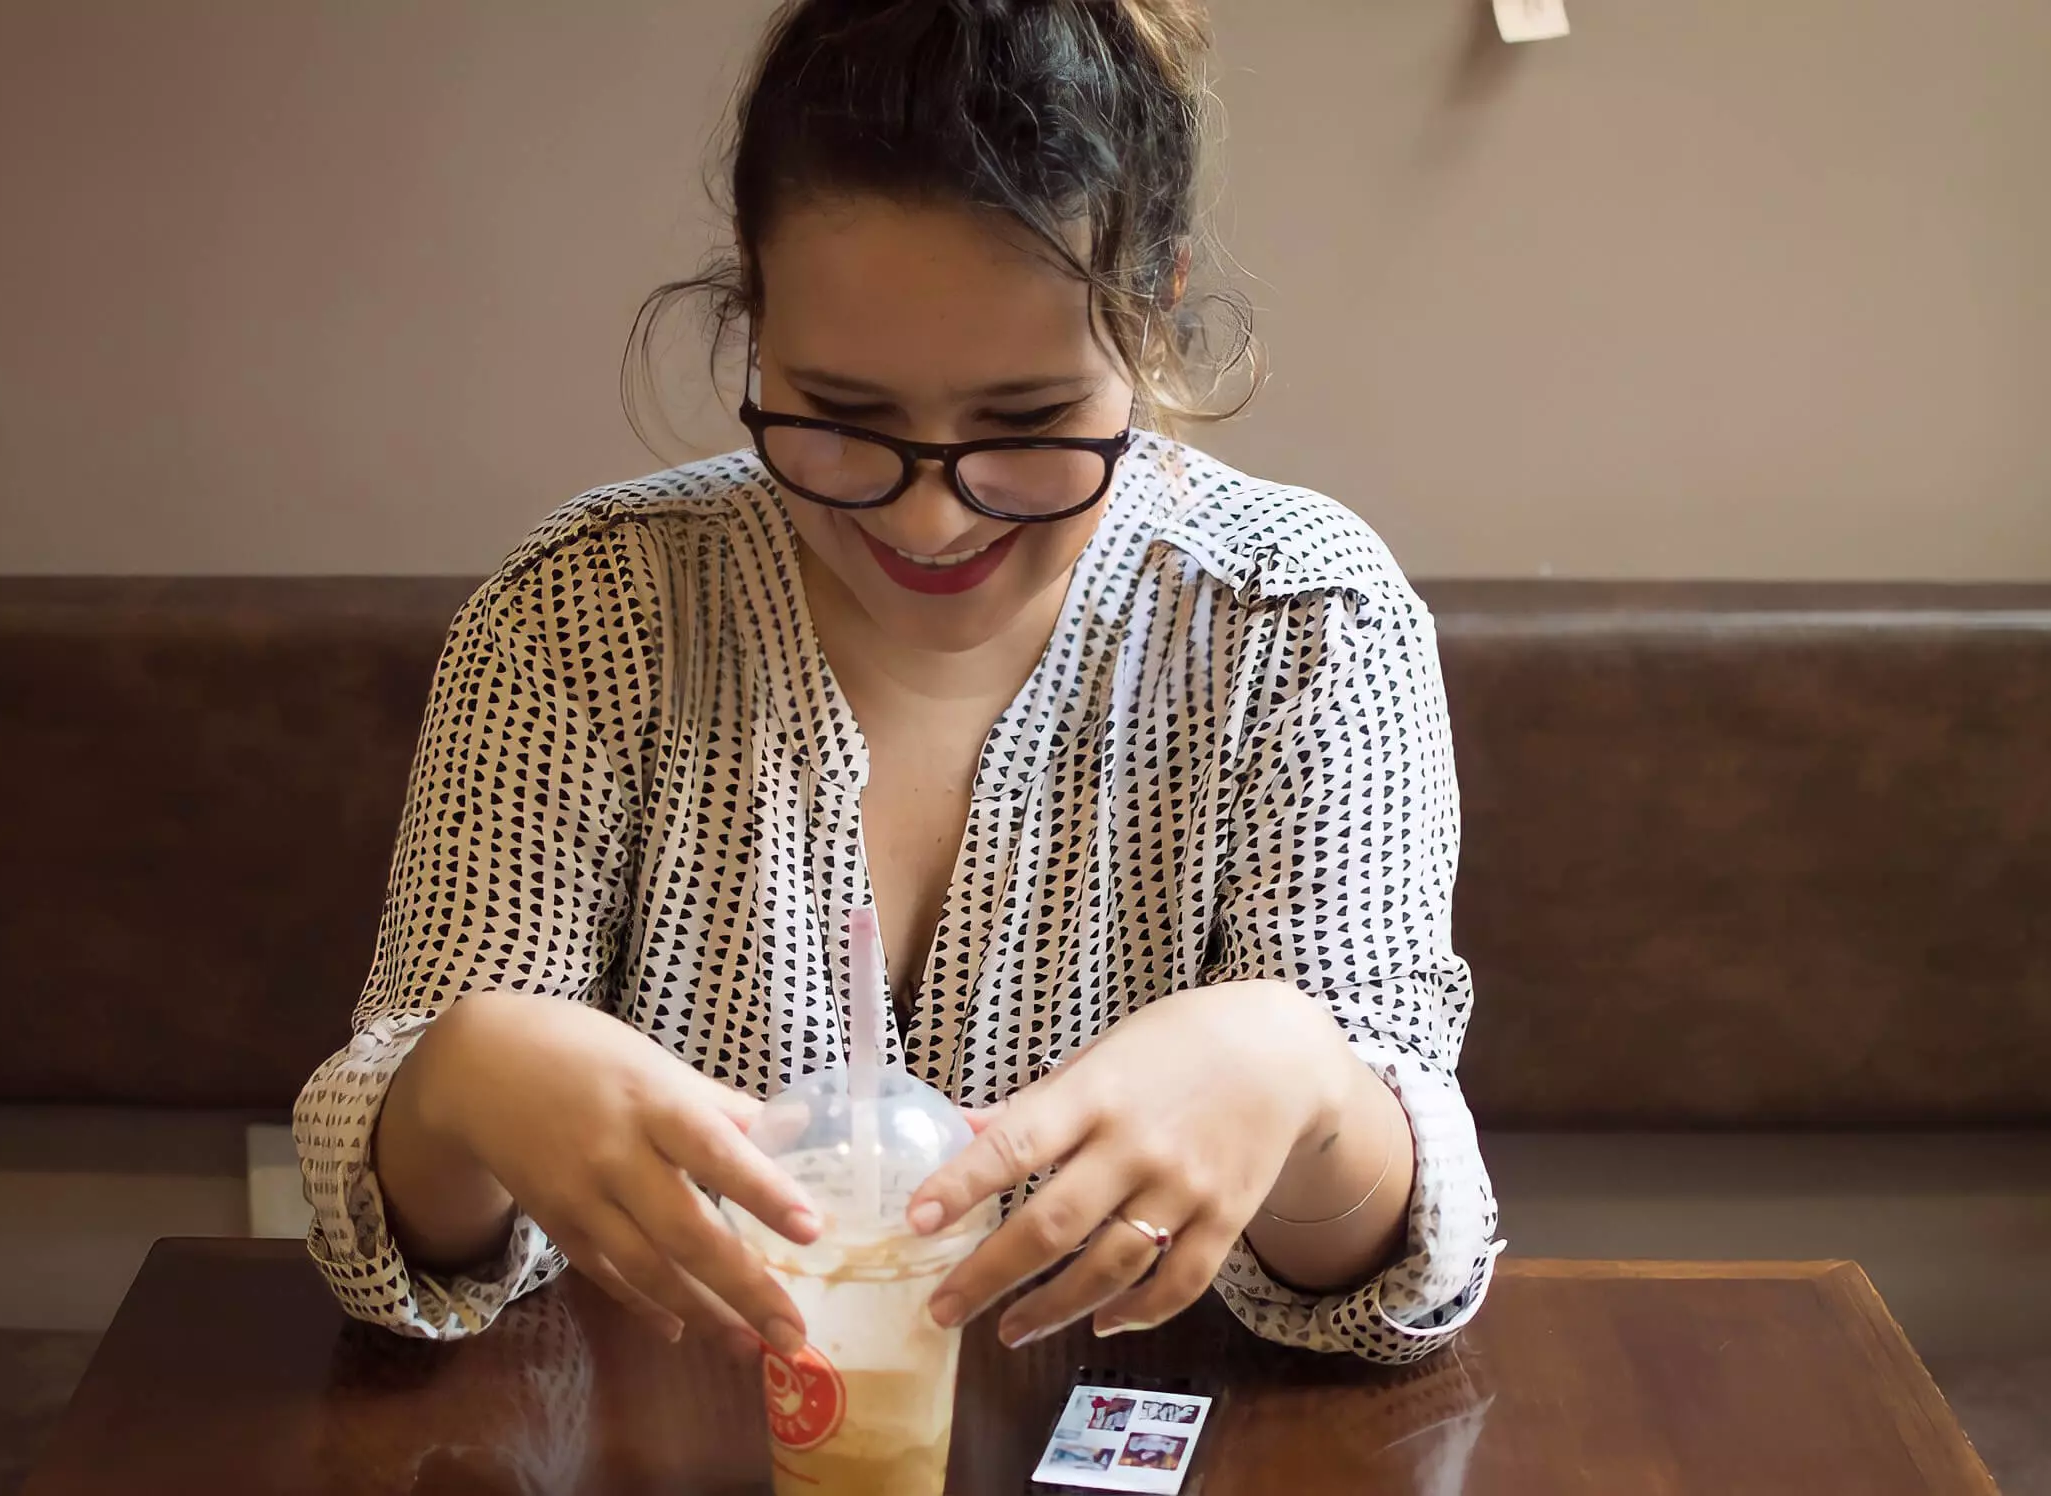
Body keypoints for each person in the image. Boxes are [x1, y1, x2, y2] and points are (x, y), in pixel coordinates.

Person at [294, 0, 1499, 1368]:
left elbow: (1395, 1282)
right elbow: (393, 1243)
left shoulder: (1302, 625)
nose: (932, 524)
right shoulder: (585, 615)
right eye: (844, 419)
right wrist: (457, 1089)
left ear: (1153, 315)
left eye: (1028, 425)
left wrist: (1308, 1086)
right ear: (752, 311)